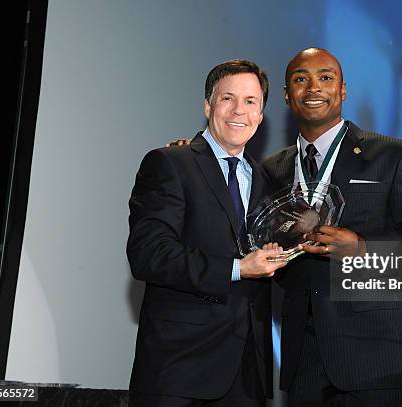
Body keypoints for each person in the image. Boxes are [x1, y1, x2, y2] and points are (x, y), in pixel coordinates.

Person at [262, 48, 402, 406]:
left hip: (380, 357)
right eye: (301, 79)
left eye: (325, 77)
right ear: (287, 95)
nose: (313, 87)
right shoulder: (270, 171)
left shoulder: (394, 154)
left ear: (342, 90)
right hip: (304, 363)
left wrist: (363, 249)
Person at [126, 59, 287, 407]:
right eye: (227, 98)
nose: (238, 111)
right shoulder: (170, 163)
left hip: (248, 376)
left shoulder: (266, 181)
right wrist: (238, 268)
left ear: (261, 115)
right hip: (179, 370)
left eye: (250, 102)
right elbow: (148, 254)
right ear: (207, 106)